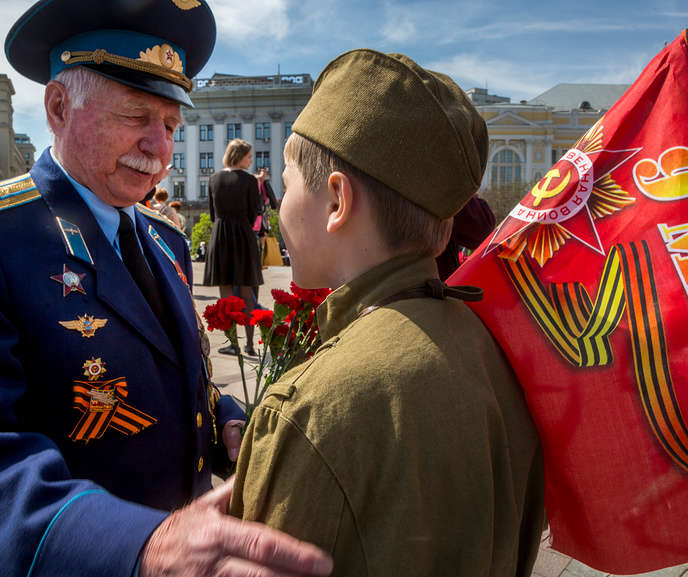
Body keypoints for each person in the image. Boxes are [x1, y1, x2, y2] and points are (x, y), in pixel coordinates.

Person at [0, 2, 332, 576]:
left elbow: (176, 378)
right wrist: (138, 548)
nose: (160, 150)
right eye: (137, 117)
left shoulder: (164, 238)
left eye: (170, 126)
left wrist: (227, 421)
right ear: (59, 107)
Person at [229, 49, 544, 575]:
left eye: (286, 185)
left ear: (336, 202)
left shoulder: (310, 411)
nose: (278, 206)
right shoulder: (493, 350)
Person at [203, 138, 263, 357]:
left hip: (221, 237)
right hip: (244, 236)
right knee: (246, 292)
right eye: (249, 156)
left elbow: (212, 214)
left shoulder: (213, 178)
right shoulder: (249, 180)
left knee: (226, 292)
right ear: (239, 156)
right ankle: (249, 344)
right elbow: (252, 213)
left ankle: (232, 344)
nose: (251, 160)